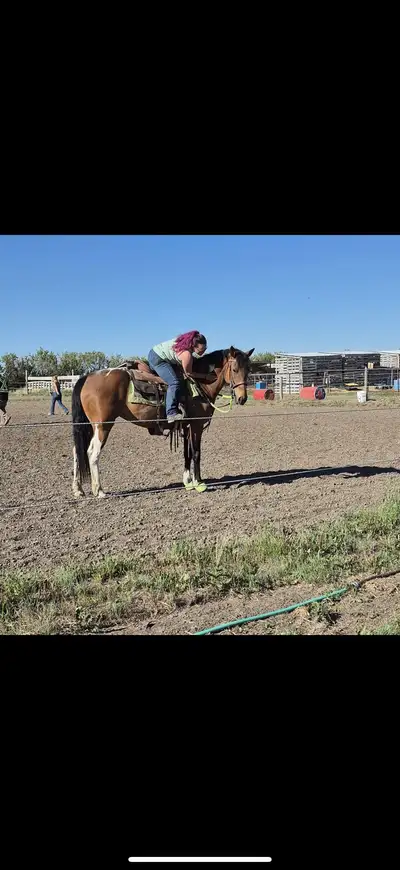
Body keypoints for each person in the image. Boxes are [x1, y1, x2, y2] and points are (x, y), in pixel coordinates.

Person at [148, 331, 208, 423]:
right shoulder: (186, 354)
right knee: (174, 382)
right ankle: (171, 413)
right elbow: (189, 373)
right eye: (201, 350)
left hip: (155, 352)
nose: (203, 352)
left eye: (205, 349)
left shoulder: (185, 343)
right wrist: (206, 376)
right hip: (157, 358)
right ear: (193, 346)